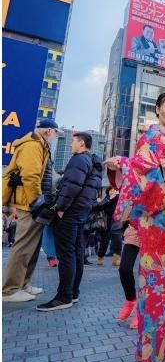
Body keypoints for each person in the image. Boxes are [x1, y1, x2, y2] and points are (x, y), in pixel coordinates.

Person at [104, 92, 165, 362]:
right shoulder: (150, 137)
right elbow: (141, 172)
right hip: (157, 217)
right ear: (157, 109)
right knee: (155, 285)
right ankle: (149, 356)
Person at [36, 132, 102, 311]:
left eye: (73, 141)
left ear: (81, 143)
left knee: (66, 254)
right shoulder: (93, 163)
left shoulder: (79, 160)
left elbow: (71, 186)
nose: (70, 144)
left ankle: (64, 296)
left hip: (70, 212)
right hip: (81, 212)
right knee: (76, 253)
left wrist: (60, 208)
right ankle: (73, 293)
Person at [2, 119, 60, 302]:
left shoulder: (40, 145)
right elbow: (30, 176)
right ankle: (10, 290)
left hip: (33, 203)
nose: (56, 137)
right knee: (23, 246)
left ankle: (23, 284)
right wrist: (38, 201)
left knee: (32, 247)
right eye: (56, 133)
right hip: (29, 204)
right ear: (49, 131)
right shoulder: (33, 146)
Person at [117, 222, 140, 329]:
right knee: (124, 269)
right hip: (135, 228)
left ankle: (142, 310)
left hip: (154, 226)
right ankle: (130, 300)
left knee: (148, 275)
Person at [93, 187, 120, 266]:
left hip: (117, 223)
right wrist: (109, 199)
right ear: (108, 192)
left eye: (114, 190)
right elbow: (101, 206)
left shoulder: (118, 198)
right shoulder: (107, 199)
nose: (113, 192)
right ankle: (100, 257)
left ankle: (116, 259)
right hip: (107, 224)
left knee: (118, 241)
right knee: (104, 242)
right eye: (111, 190)